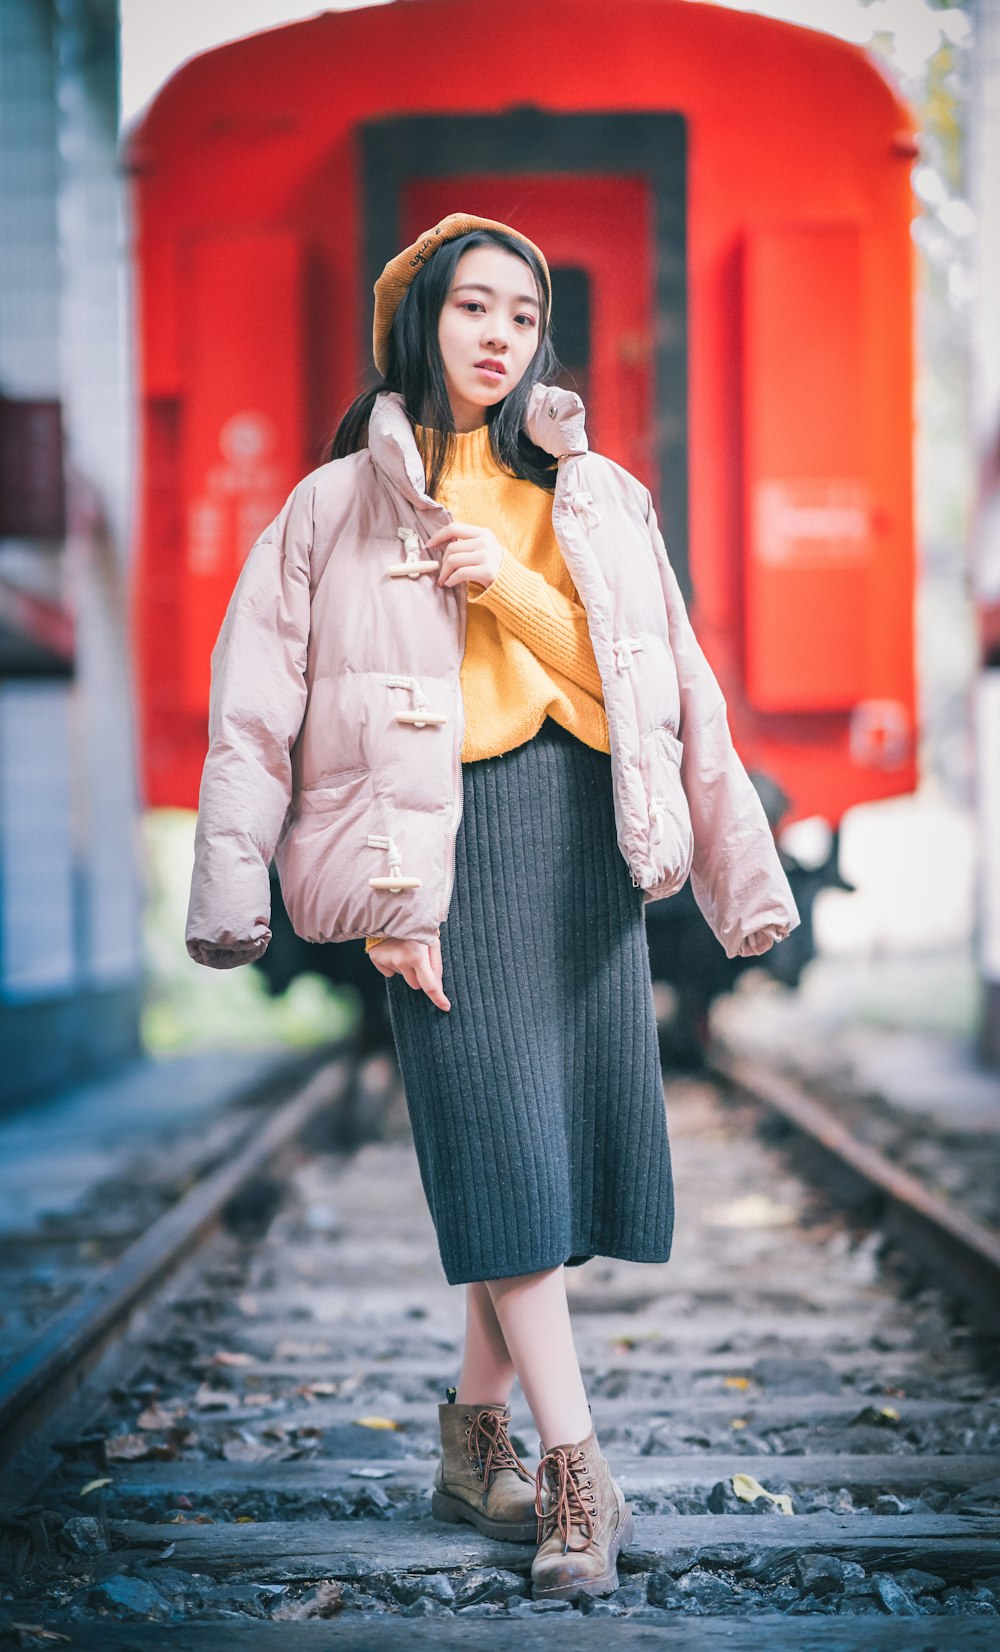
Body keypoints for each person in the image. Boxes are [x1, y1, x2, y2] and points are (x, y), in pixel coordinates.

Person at [185, 211, 800, 1602]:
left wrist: (505, 583)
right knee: (503, 1157)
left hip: (573, 843)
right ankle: (580, 1471)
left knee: (542, 1165)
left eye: (522, 317)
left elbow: (654, 693)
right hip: (442, 864)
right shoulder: (332, 508)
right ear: (422, 323)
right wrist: (328, 901)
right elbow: (256, 721)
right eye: (474, 309)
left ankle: (475, 1451)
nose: (499, 338)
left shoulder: (599, 498)